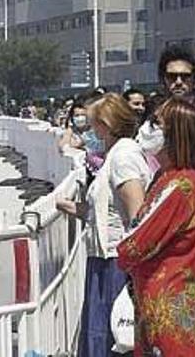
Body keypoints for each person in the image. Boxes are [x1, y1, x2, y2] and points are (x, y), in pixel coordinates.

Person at [55, 93, 151, 357]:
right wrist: (70, 207)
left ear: (105, 124)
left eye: (92, 123)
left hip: (116, 262)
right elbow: (104, 210)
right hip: (103, 258)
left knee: (114, 335)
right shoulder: (113, 156)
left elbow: (137, 214)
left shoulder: (123, 157)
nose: (89, 130)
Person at [117, 98, 195, 356]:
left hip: (169, 305)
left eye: (156, 122)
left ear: (176, 134)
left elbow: (136, 245)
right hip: (168, 301)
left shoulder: (180, 186)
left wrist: (122, 249)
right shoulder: (171, 178)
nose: (147, 127)